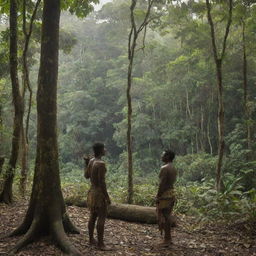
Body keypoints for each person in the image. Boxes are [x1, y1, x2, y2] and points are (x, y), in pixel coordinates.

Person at [84, 142, 111, 250]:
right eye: (104, 148)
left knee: (93, 216)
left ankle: (91, 239)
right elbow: (102, 182)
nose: (105, 150)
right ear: (100, 150)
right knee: (101, 217)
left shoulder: (91, 161)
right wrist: (107, 196)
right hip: (99, 194)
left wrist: (86, 164)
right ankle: (100, 244)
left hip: (92, 192)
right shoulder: (101, 164)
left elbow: (86, 176)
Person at [156, 149, 177, 247]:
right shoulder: (173, 167)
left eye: (163, 155)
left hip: (165, 194)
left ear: (167, 157)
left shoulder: (164, 168)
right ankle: (168, 238)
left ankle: (167, 239)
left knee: (165, 216)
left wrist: (158, 195)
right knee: (167, 215)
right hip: (171, 192)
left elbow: (162, 184)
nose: (161, 156)